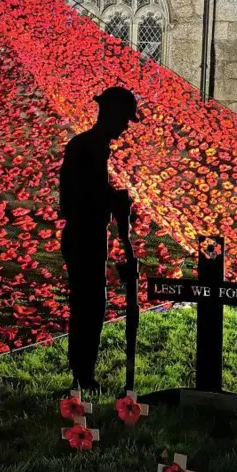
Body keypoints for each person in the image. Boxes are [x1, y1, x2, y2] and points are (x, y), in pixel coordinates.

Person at [59, 86, 139, 394]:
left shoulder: (93, 145)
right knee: (88, 306)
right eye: (124, 120)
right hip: (83, 235)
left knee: (90, 305)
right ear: (112, 114)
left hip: (89, 233)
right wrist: (115, 201)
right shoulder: (89, 146)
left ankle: (83, 373)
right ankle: (81, 376)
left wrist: (115, 203)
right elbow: (86, 194)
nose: (124, 127)